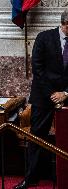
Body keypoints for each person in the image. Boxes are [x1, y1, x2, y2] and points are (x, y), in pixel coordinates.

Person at [14, 9, 68, 189]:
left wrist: (65, 94)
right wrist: (53, 95)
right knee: (37, 136)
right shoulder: (44, 37)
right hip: (44, 96)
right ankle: (31, 177)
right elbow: (38, 69)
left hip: (67, 97)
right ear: (65, 24)